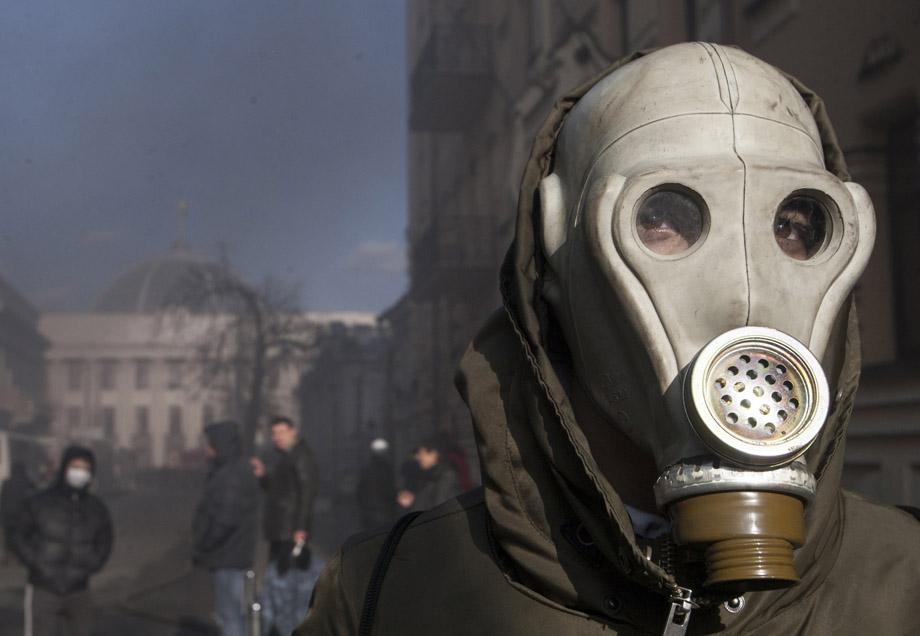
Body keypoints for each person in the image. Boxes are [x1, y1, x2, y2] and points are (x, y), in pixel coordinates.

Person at [298, 43, 920, 634]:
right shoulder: (391, 596)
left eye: (793, 225)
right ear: (556, 252)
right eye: (662, 219)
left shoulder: (905, 582)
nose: (745, 295)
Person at [11, 445, 113, 636]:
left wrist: (90, 565)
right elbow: (17, 533)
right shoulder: (39, 502)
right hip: (44, 588)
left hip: (79, 590)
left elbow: (105, 541)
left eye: (85, 469)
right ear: (65, 468)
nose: (79, 473)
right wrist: (36, 563)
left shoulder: (96, 508)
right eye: (75, 466)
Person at [251, 415, 318, 636]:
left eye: (281, 432)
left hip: (289, 533)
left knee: (285, 587)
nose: (276, 437)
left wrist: (301, 529)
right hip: (282, 532)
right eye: (274, 434)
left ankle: (286, 630)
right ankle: (280, 629)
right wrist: (263, 476)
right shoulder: (288, 457)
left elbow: (307, 494)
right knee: (279, 585)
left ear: (293, 431)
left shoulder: (301, 457)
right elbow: (280, 490)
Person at [192, 421, 259, 636]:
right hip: (231, 553)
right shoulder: (232, 469)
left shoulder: (232, 475)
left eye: (211, 445)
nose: (208, 449)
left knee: (229, 615)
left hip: (228, 555)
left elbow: (224, 520)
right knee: (231, 613)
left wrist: (204, 545)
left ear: (220, 445)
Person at [355, 438, 396, 530]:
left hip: (370, 508)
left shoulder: (367, 469)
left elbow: (360, 489)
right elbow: (390, 489)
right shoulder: (386, 469)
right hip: (383, 509)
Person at [1, 462, 35, 561]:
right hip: (21, 514)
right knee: (21, 535)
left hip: (8, 514)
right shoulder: (28, 482)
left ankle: (7, 554)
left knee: (8, 535)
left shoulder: (7, 483)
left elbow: (3, 498)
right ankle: (19, 555)